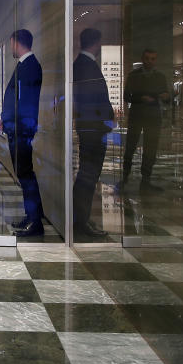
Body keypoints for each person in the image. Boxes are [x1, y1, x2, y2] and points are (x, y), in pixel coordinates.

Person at [0, 29, 44, 237]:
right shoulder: (25, 65)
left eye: (11, 43)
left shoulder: (30, 66)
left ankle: (35, 222)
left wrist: (6, 120)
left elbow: (23, 104)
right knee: (25, 174)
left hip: (22, 130)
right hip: (19, 128)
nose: (10, 48)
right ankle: (32, 216)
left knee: (25, 174)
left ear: (17, 43)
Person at [72, 28, 113, 238]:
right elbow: (92, 101)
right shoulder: (86, 66)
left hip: (90, 128)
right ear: (96, 43)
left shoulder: (81, 65)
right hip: (92, 130)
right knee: (88, 175)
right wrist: (104, 122)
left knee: (87, 175)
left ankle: (81, 219)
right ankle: (80, 221)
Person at [123, 48, 170, 192]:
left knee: (151, 148)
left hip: (153, 116)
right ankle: (125, 176)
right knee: (131, 146)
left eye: (153, 59)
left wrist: (166, 97)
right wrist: (140, 98)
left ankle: (146, 180)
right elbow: (127, 96)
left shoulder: (160, 77)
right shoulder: (134, 76)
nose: (150, 61)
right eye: (148, 58)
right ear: (143, 59)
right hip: (137, 115)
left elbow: (167, 97)